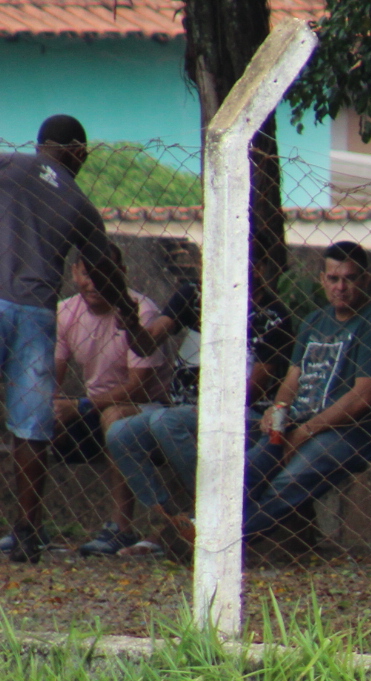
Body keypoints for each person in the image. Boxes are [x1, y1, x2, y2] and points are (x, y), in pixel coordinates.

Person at [2, 114, 143, 564]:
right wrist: (130, 316)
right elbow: (103, 267)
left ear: (40, 144)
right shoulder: (82, 205)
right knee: (30, 425)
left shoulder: (10, 165)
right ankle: (27, 532)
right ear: (78, 151)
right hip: (36, 313)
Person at [103, 260, 295, 557]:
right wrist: (132, 325)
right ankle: (172, 524)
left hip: (242, 415)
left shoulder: (273, 317)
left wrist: (203, 410)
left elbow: (253, 388)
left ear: (260, 269)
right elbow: (146, 345)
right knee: (120, 433)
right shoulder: (194, 295)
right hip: (182, 411)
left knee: (166, 422)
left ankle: (214, 512)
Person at [245, 241, 371, 540]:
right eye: (333, 278)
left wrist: (303, 434)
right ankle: (206, 524)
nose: (340, 287)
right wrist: (276, 413)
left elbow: (362, 398)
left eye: (350, 278)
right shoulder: (313, 321)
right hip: (299, 422)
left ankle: (221, 538)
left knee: (289, 480)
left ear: (365, 280)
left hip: (353, 431)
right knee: (252, 462)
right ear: (322, 280)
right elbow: (291, 381)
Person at [53, 246, 170, 555]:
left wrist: (78, 406)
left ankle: (120, 527)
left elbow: (138, 387)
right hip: (92, 405)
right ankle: (30, 526)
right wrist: (49, 403)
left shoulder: (141, 311)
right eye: (87, 274)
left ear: (121, 275)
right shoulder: (65, 311)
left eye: (105, 274)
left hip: (147, 407)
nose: (94, 283)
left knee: (114, 416)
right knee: (36, 415)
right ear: (75, 272)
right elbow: (53, 374)